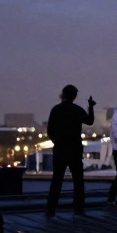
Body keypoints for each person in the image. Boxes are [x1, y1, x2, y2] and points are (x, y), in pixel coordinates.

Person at [46, 85, 95, 217]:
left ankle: (51, 209)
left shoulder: (56, 109)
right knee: (78, 181)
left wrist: (56, 141)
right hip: (75, 150)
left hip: (60, 150)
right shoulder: (77, 110)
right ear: (74, 96)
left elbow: (49, 130)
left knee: (56, 180)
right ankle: (78, 208)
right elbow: (90, 121)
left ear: (64, 94)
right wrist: (90, 106)